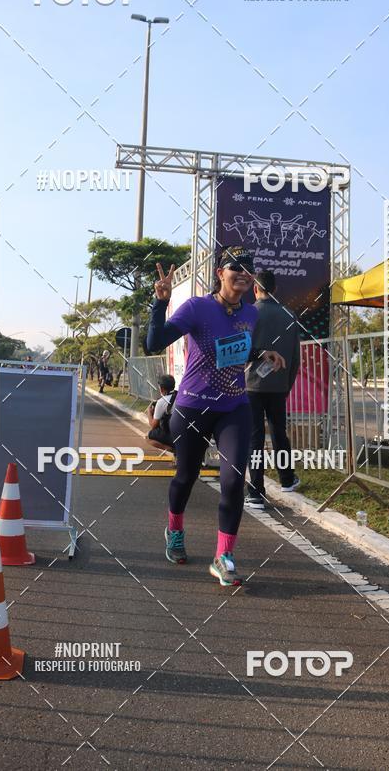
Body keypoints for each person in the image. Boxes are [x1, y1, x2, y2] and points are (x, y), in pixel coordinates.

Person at [146, 246, 285, 586]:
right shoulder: (197, 307)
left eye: (248, 268)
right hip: (193, 407)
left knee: (234, 480)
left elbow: (234, 349)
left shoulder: (251, 313)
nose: (242, 273)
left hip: (234, 406)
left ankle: (224, 557)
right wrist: (160, 303)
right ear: (220, 273)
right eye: (235, 267)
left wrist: (260, 353)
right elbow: (154, 342)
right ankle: (174, 530)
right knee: (186, 476)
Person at [245, 270, 301, 509]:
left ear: (255, 289)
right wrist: (286, 384)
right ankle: (287, 479)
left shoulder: (248, 313)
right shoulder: (289, 315)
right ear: (275, 289)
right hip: (279, 384)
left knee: (255, 437)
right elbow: (295, 357)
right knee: (279, 432)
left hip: (250, 385)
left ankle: (256, 492)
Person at [146, 374, 177, 453]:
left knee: (148, 436)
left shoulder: (161, 401)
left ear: (162, 388)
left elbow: (153, 425)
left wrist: (149, 412)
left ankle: (172, 449)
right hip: (185, 432)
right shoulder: (181, 396)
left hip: (173, 435)